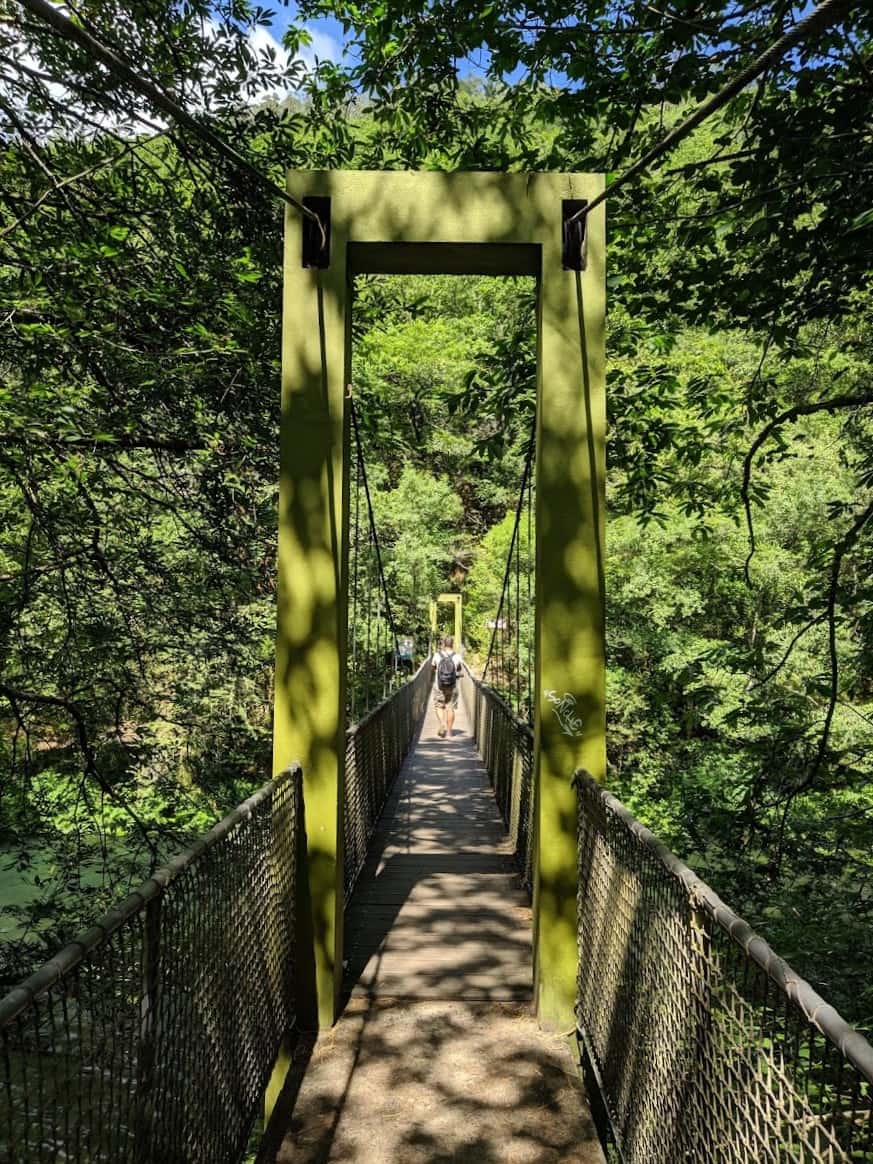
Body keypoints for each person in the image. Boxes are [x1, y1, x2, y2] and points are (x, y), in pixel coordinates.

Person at [431, 635, 462, 738]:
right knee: (450, 708)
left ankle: (442, 723)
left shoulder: (437, 655)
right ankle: (449, 732)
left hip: (439, 685)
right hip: (452, 686)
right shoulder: (457, 656)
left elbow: (433, 668)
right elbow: (459, 669)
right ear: (452, 644)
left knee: (439, 706)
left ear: (444, 644)